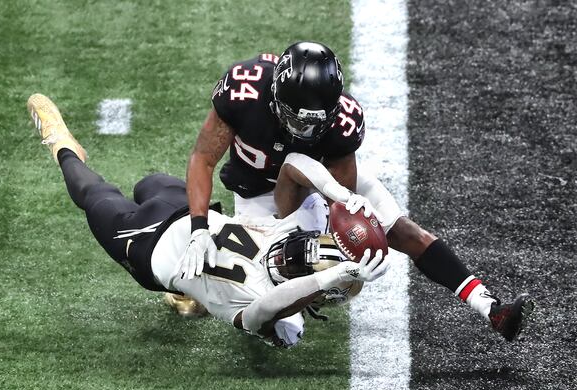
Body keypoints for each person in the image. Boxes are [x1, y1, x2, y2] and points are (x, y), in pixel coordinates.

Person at [181, 41, 535, 341]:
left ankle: (490, 307)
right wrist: (198, 228)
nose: (304, 131)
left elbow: (343, 198)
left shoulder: (342, 122)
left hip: (322, 184)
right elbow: (202, 159)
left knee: (402, 230)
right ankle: (199, 283)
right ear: (276, 98)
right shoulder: (245, 89)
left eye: (314, 123)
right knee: (281, 328)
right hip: (258, 197)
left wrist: (343, 244)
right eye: (298, 120)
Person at [26, 93, 389, 348]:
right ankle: (190, 294)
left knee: (94, 194)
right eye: (302, 250)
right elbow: (295, 164)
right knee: (147, 183)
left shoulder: (277, 311)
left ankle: (61, 146)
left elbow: (267, 309)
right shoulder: (290, 230)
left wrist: (332, 276)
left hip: (149, 249)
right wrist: (339, 193)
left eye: (298, 262)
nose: (288, 254)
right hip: (190, 213)